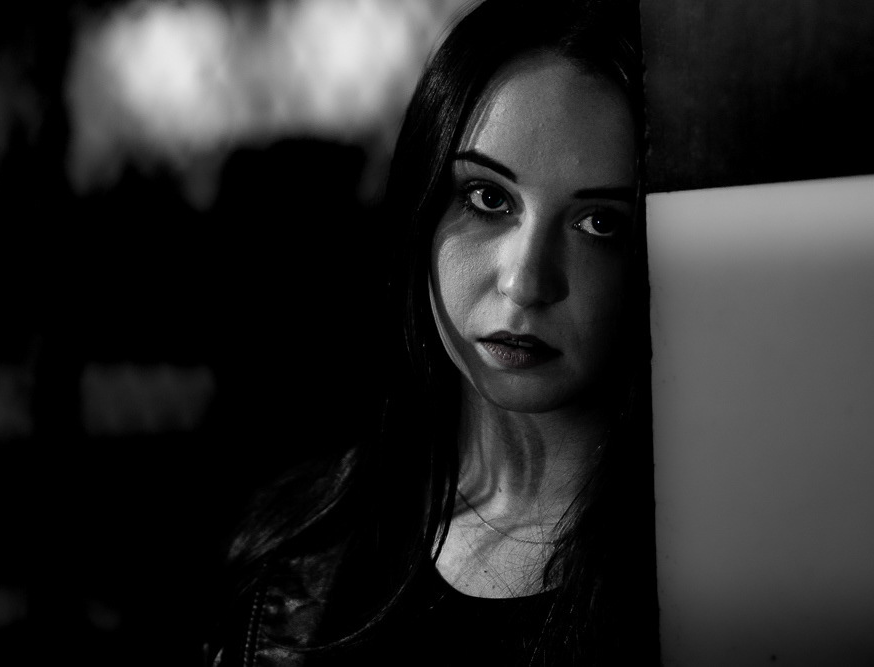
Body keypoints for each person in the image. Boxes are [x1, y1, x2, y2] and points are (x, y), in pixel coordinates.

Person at [205, 0, 658, 664]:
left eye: (599, 224)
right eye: (488, 198)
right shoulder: (299, 561)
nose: (525, 281)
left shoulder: (718, 570)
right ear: (422, 205)